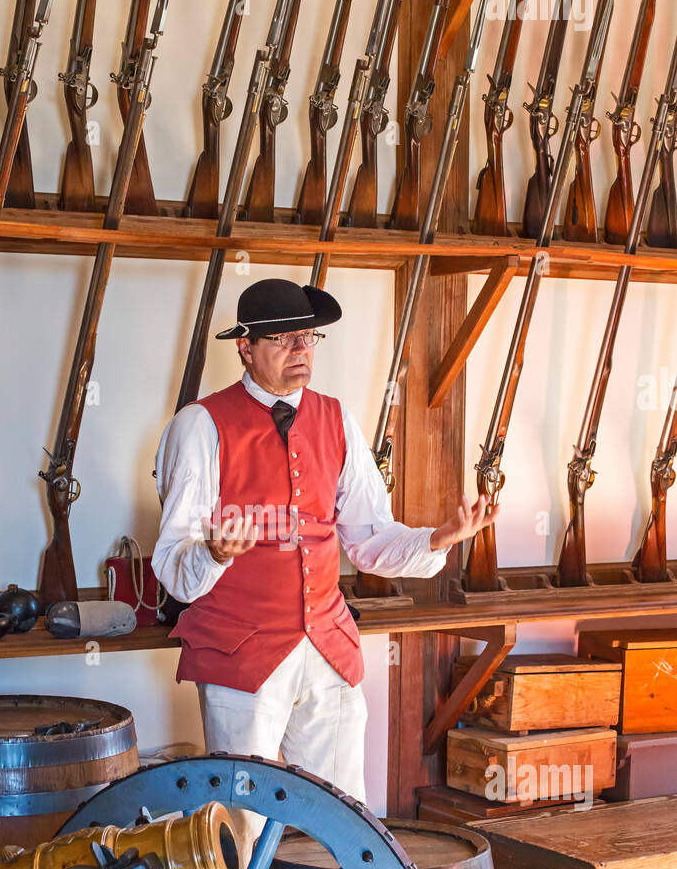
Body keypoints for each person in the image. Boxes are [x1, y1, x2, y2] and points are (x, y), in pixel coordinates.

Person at [153, 278, 498, 837]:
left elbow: (367, 537)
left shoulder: (337, 420)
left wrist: (437, 539)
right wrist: (215, 553)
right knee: (241, 822)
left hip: (329, 647)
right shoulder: (199, 425)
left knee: (343, 819)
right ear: (245, 347)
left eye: (308, 339)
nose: (300, 352)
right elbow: (172, 564)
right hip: (241, 653)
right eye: (284, 341)